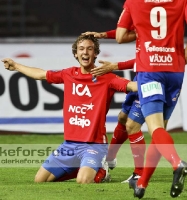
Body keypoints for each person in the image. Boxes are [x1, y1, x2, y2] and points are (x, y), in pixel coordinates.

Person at [1, 34, 138, 184]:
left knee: (83, 181)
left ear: (96, 53)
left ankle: (101, 170)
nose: (85, 52)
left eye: (89, 49)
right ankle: (85, 168)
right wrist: (16, 66)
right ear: (75, 53)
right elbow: (41, 75)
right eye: (81, 49)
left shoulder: (106, 77)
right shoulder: (69, 74)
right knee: (40, 180)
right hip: (69, 145)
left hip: (94, 145)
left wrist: (157, 85)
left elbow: (131, 86)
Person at [116, 0, 187, 198]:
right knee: (160, 131)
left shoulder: (133, 2)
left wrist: (141, 32)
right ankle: (142, 184)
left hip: (150, 71)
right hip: (175, 71)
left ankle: (177, 163)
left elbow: (120, 36)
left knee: (156, 129)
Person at [82, 30, 146, 183]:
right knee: (123, 118)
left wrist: (115, 66)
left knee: (133, 125)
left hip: (153, 77)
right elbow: (125, 35)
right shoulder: (146, 24)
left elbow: (147, 60)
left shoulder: (156, 30)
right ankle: (110, 158)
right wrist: (104, 35)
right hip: (141, 75)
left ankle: (140, 174)